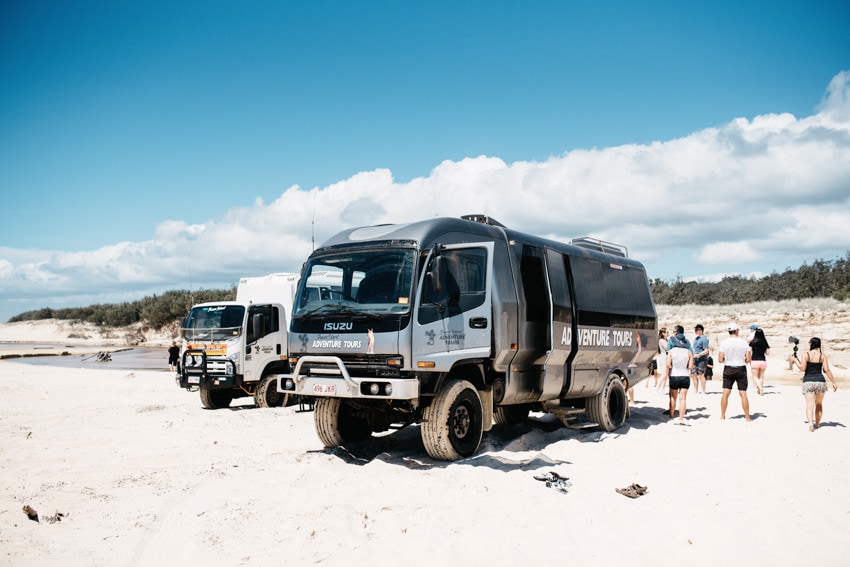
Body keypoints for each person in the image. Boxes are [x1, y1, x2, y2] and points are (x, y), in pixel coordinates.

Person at [789, 337, 838, 432]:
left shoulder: (805, 354)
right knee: (819, 404)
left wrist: (795, 361)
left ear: (811, 344)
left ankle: (811, 423)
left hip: (808, 381)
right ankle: (818, 423)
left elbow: (802, 368)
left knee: (809, 404)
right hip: (820, 381)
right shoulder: (823, 356)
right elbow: (827, 370)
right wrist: (833, 382)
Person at [718, 323, 752, 421]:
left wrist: (728, 359)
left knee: (725, 392)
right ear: (737, 331)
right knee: (743, 394)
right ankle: (747, 417)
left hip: (728, 367)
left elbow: (720, 359)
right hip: (740, 367)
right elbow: (748, 359)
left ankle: (722, 415)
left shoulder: (724, 343)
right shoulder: (743, 343)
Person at [666, 331, 694, 424]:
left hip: (674, 375)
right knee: (683, 399)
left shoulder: (671, 351)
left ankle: (672, 415)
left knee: (673, 397)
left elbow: (668, 365)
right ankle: (681, 418)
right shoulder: (689, 352)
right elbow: (690, 367)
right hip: (685, 376)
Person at [748, 325, 770, 396]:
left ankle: (760, 388)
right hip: (763, 361)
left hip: (755, 360)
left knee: (755, 377)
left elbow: (749, 351)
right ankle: (759, 389)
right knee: (761, 376)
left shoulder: (753, 342)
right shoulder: (765, 343)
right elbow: (768, 353)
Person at [691, 324, 710, 394]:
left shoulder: (704, 339)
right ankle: (696, 390)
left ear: (700, 330)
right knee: (693, 374)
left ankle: (703, 390)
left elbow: (706, 350)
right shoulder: (696, 339)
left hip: (702, 358)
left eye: (696, 330)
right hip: (695, 358)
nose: (695, 331)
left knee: (701, 374)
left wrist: (698, 355)